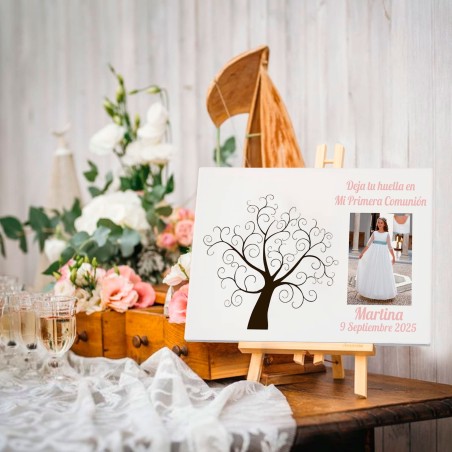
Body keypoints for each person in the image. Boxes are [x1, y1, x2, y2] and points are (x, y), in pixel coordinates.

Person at [356, 217, 397, 300]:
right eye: (378, 222)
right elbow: (368, 245)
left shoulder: (386, 234)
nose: (380, 224)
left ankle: (382, 292)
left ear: (384, 224)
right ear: (377, 224)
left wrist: (393, 257)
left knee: (382, 271)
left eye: (381, 223)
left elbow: (389, 247)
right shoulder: (374, 233)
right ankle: (370, 291)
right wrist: (362, 253)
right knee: (372, 270)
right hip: (374, 255)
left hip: (383, 256)